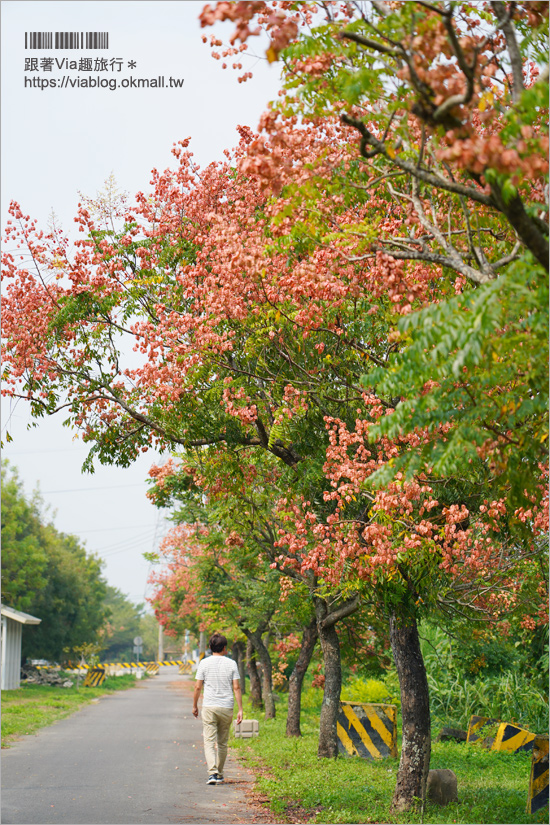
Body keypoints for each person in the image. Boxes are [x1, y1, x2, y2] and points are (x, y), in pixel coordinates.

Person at [192, 632, 243, 785]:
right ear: (225, 648)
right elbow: (236, 687)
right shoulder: (231, 664)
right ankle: (219, 773)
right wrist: (240, 709)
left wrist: (194, 705)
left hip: (209, 706)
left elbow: (197, 687)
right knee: (222, 742)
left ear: (210, 647)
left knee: (209, 741)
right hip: (226, 707)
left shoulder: (204, 663)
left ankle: (213, 773)